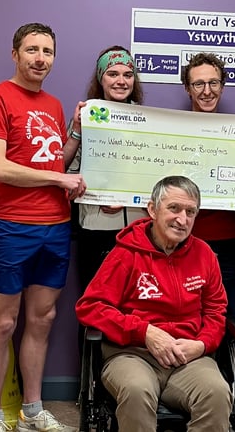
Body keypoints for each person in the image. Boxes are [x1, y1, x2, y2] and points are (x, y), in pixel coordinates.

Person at [0, 22, 85, 432]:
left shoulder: (53, 104)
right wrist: (60, 180)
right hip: (12, 226)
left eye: (48, 51)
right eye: (32, 50)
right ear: (15, 53)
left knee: (43, 320)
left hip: (55, 227)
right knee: (3, 323)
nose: (41, 58)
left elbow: (54, 161)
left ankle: (32, 412)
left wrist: (73, 131)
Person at [75, 175, 232, 432]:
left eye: (190, 212)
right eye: (174, 208)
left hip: (187, 356)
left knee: (216, 392)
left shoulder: (205, 255)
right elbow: (90, 307)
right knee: (136, 390)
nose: (182, 219)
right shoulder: (126, 254)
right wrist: (145, 332)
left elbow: (216, 311)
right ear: (152, 210)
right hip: (132, 353)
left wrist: (202, 344)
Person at [67, 46, 147, 302]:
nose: (121, 81)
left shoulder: (148, 120)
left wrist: (128, 197)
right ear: (101, 78)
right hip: (95, 228)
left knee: (135, 306)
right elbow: (68, 173)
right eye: (113, 73)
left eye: (127, 74)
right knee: (94, 304)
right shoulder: (86, 116)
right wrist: (100, 195)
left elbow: (156, 173)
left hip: (138, 228)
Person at [181, 52, 235, 316]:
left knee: (225, 321)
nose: (207, 91)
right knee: (182, 318)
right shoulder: (169, 131)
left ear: (222, 87)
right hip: (182, 242)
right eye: (199, 84)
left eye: (213, 83)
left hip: (226, 246)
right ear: (188, 89)